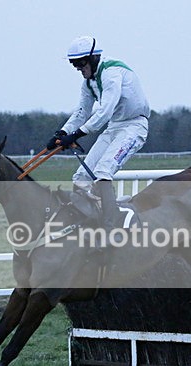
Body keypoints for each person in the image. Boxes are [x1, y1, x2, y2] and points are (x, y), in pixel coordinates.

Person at [46, 35, 150, 231]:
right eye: (74, 64)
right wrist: (62, 132)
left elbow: (105, 111)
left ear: (94, 58)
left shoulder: (112, 73)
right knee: (80, 177)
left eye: (81, 62)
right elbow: (82, 112)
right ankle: (88, 222)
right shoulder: (88, 83)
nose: (78, 67)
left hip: (134, 127)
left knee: (102, 173)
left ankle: (111, 227)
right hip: (114, 127)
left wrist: (76, 135)